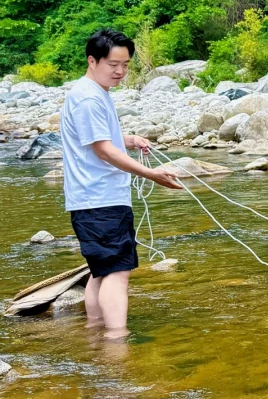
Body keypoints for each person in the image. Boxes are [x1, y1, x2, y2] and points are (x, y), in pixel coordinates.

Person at [59, 28, 182, 338]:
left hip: (93, 199)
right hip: (100, 200)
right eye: (113, 64)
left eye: (126, 65)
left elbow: (99, 141)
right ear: (92, 60)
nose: (120, 71)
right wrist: (152, 174)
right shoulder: (88, 98)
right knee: (117, 272)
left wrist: (127, 139)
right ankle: (116, 342)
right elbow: (102, 150)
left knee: (101, 273)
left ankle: (95, 333)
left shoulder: (92, 93)